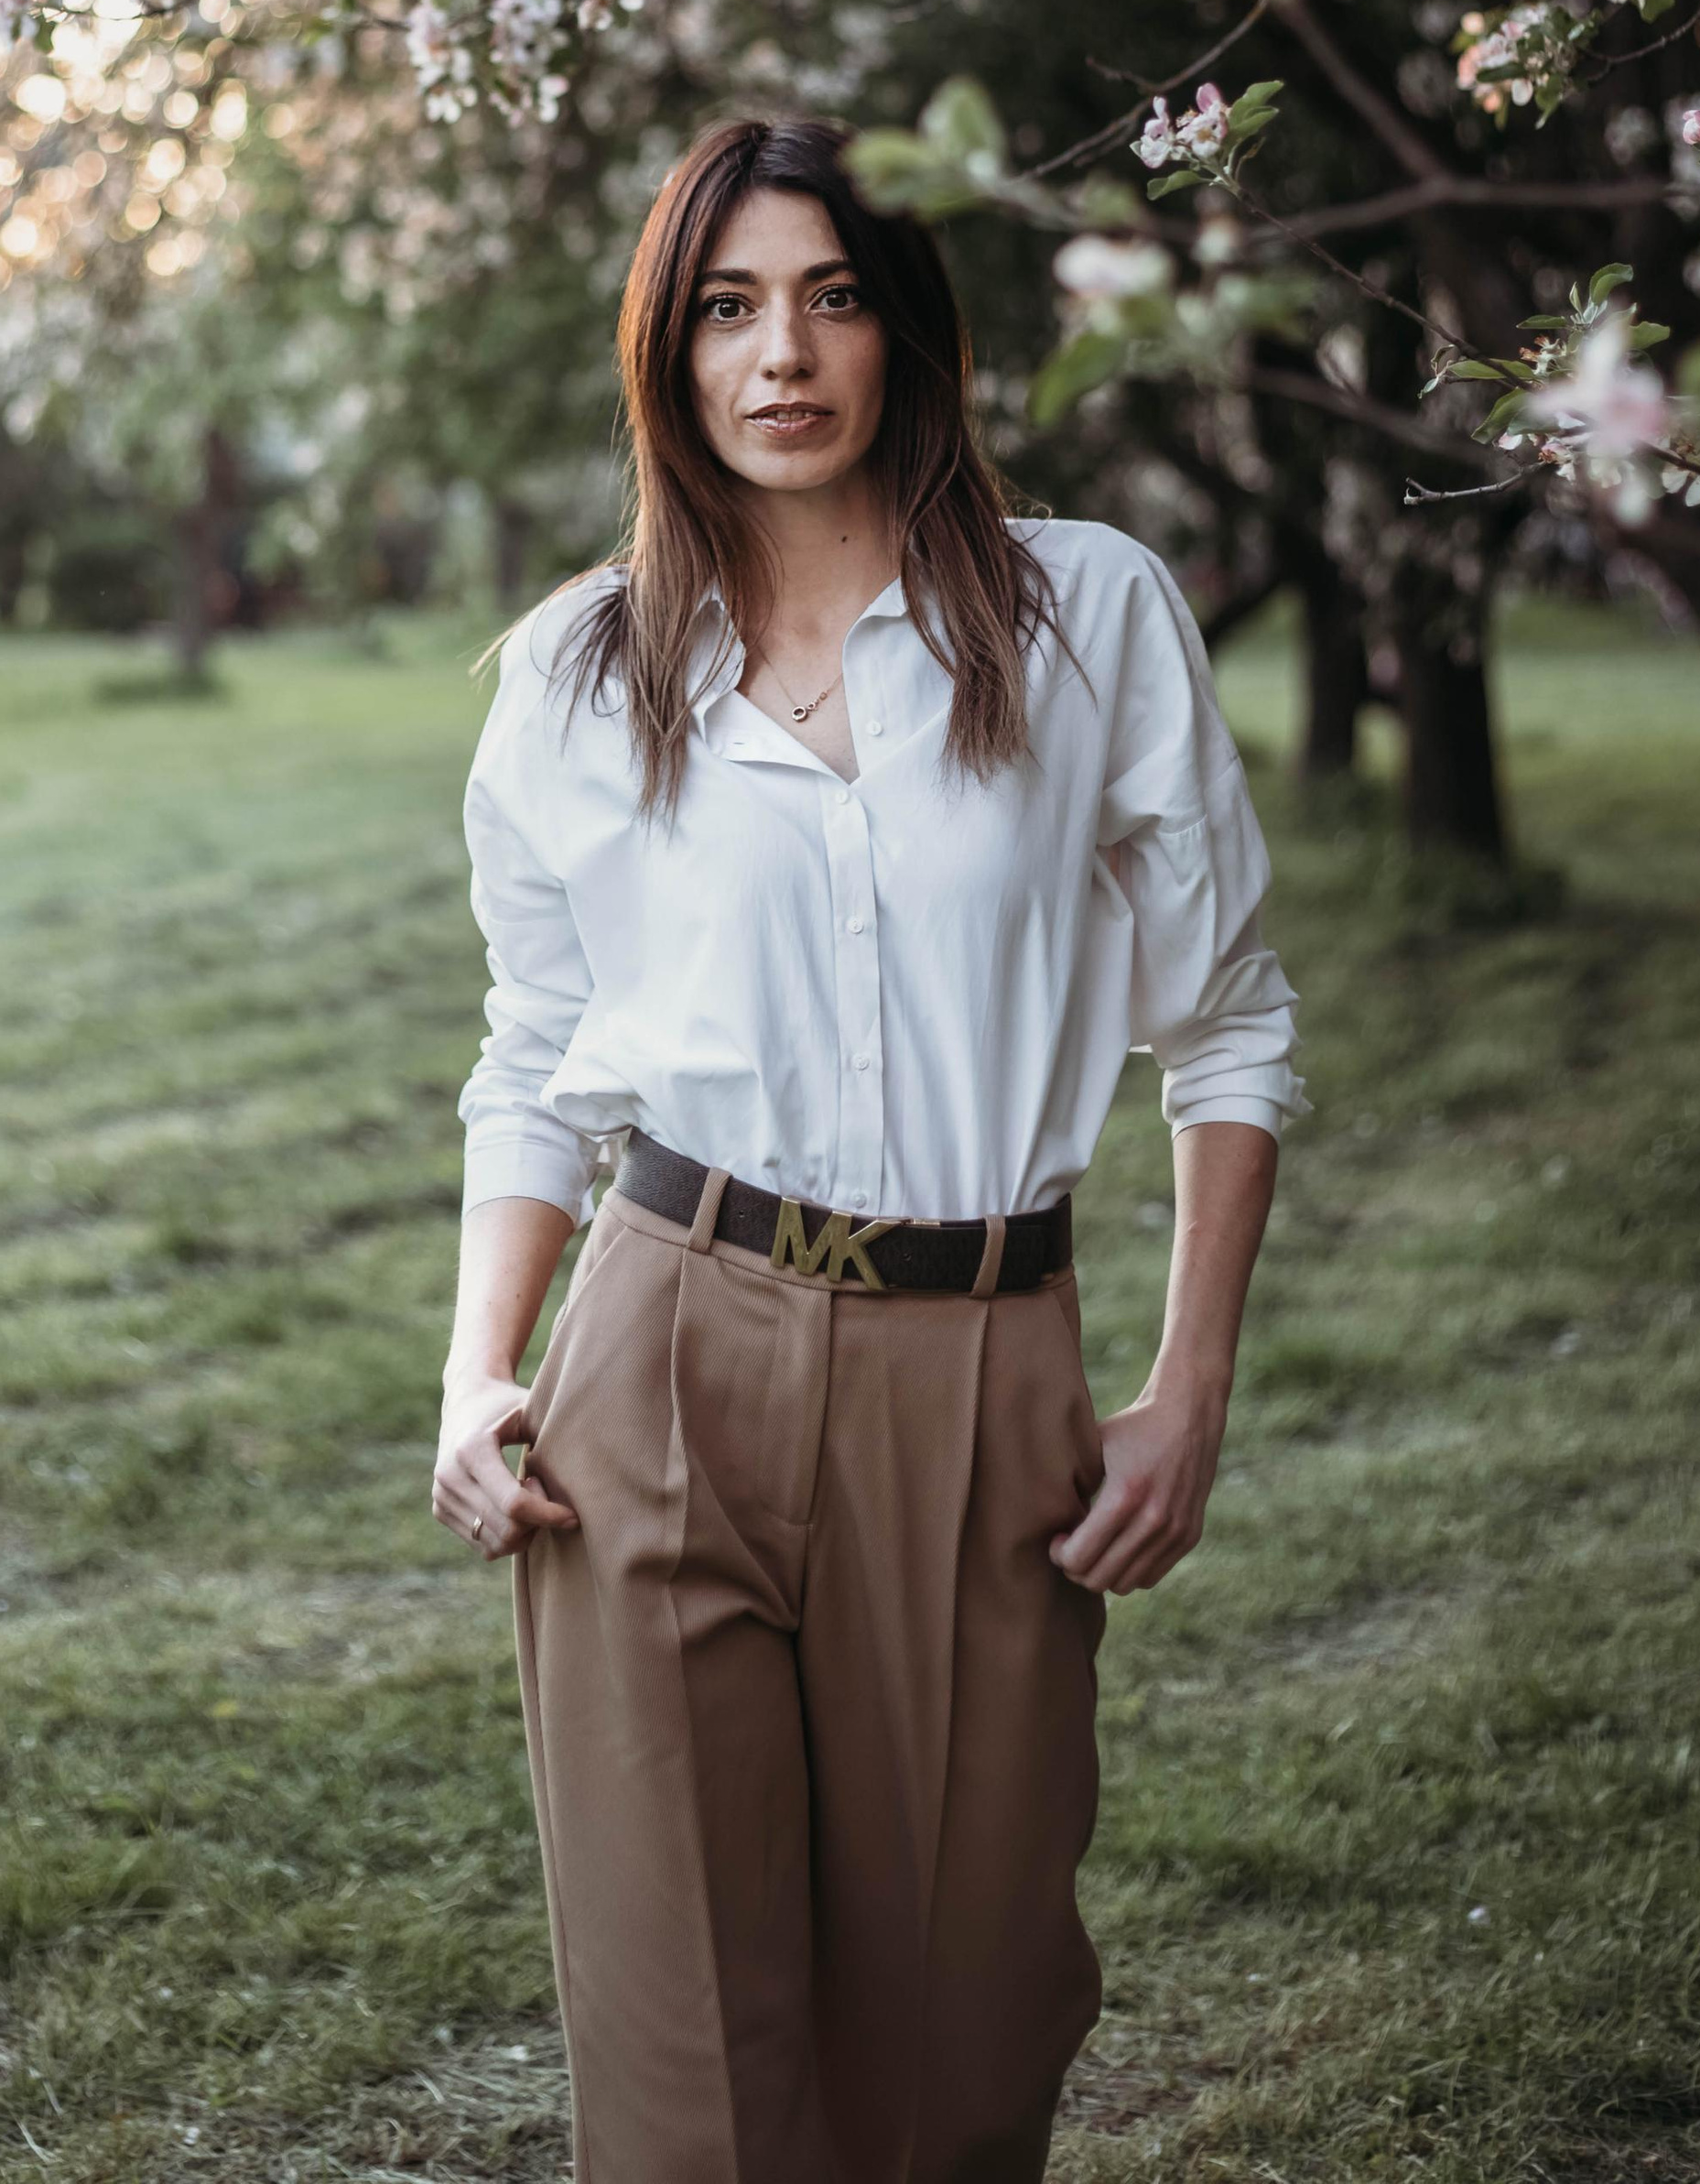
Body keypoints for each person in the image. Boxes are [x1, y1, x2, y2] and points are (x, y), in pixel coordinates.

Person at [431, 115, 1306, 2184]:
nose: (780, 353)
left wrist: (1186, 1387)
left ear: (906, 331)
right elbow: (537, 1055)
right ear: (667, 350)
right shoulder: (574, 668)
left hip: (977, 1361)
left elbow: (1229, 1027)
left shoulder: (1083, 613)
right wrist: (483, 1363)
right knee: (684, 2069)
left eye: (829, 295)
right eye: (726, 306)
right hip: (653, 1361)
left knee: (959, 2032)